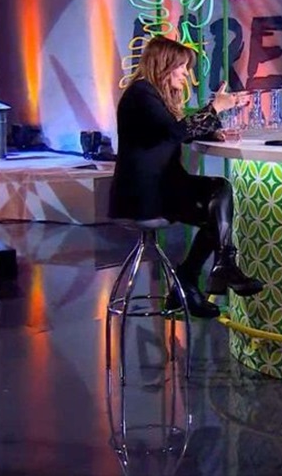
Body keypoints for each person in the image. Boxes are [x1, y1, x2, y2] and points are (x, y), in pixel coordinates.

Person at [109, 35, 263, 318]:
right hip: (143, 196)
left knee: (217, 203)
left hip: (161, 187)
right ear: (164, 65)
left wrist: (213, 131)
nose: (185, 74)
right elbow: (174, 132)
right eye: (181, 67)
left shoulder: (151, 95)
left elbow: (169, 131)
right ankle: (206, 273)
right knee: (217, 196)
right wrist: (216, 108)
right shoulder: (141, 93)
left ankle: (196, 278)